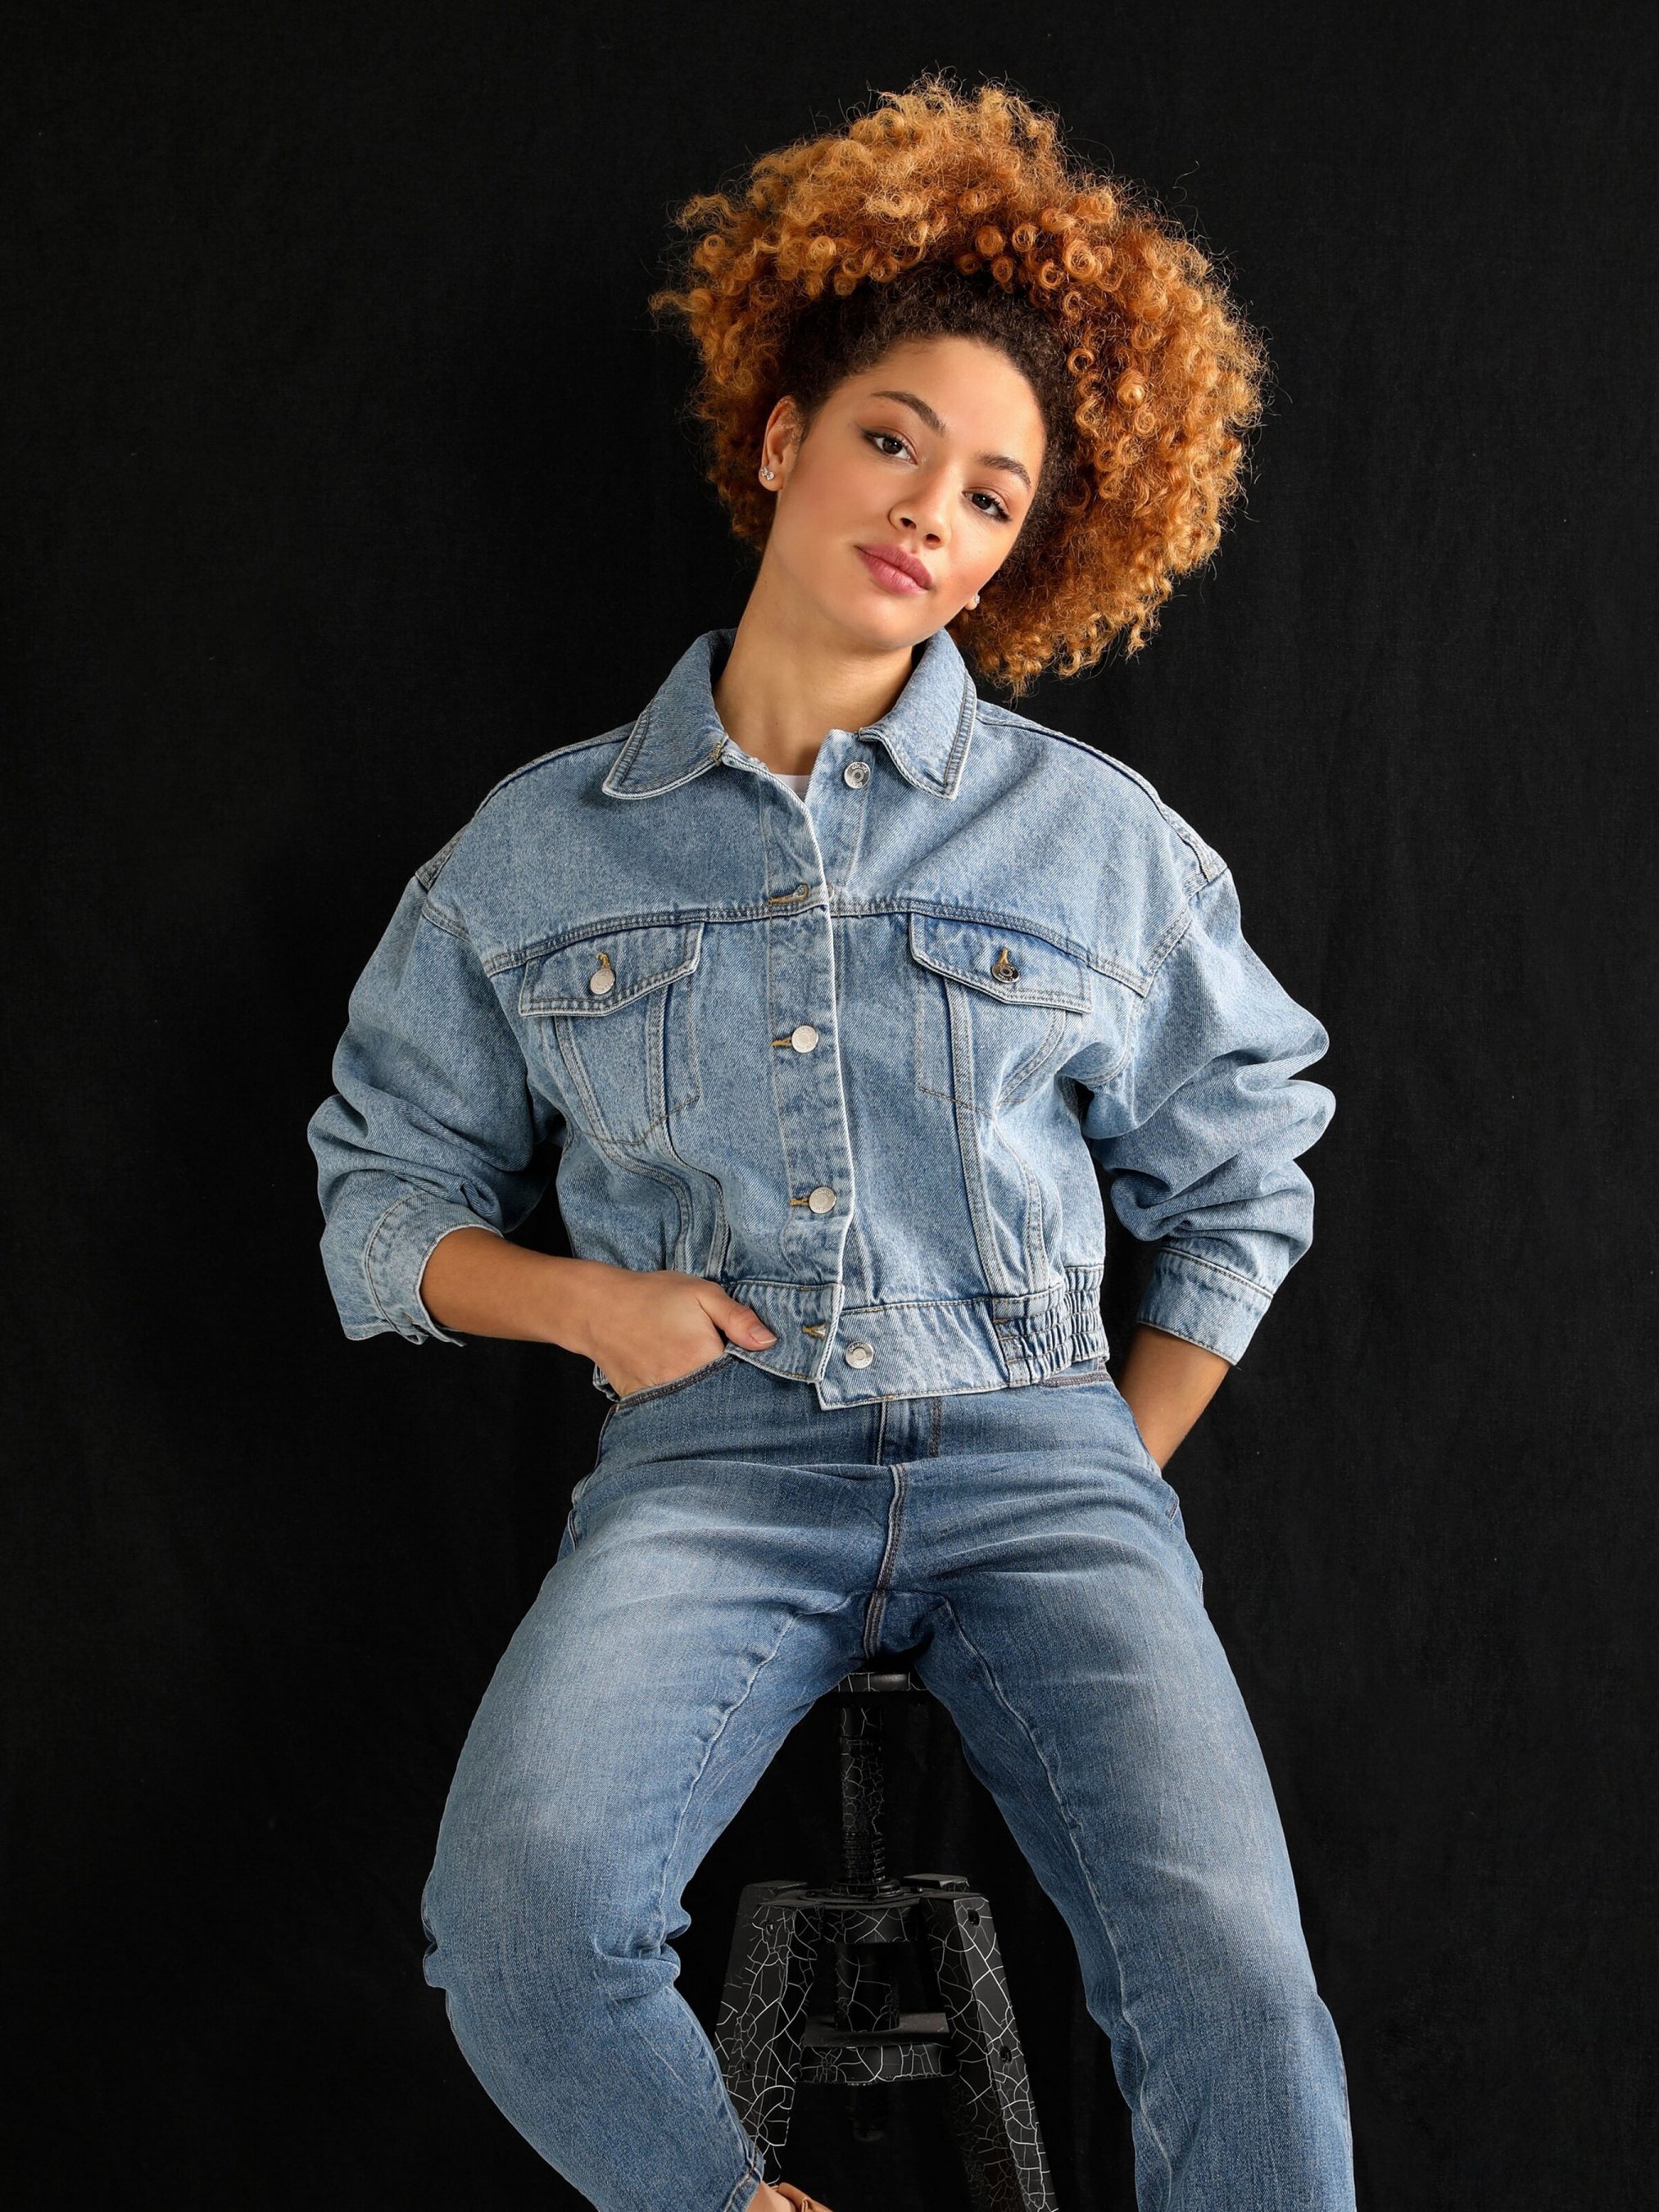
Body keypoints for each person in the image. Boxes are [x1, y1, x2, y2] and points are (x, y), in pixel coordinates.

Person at [307, 73, 1356, 2212]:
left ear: (1023, 552)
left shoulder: (1092, 840)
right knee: (516, 1919)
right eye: (893, 441)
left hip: (1041, 1461)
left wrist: (1111, 1452)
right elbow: (379, 1195)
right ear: (782, 436)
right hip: (713, 1471)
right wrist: (585, 1306)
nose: (927, 515)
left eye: (990, 496)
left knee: (1235, 1976)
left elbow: (1247, 1164)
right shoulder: (534, 850)